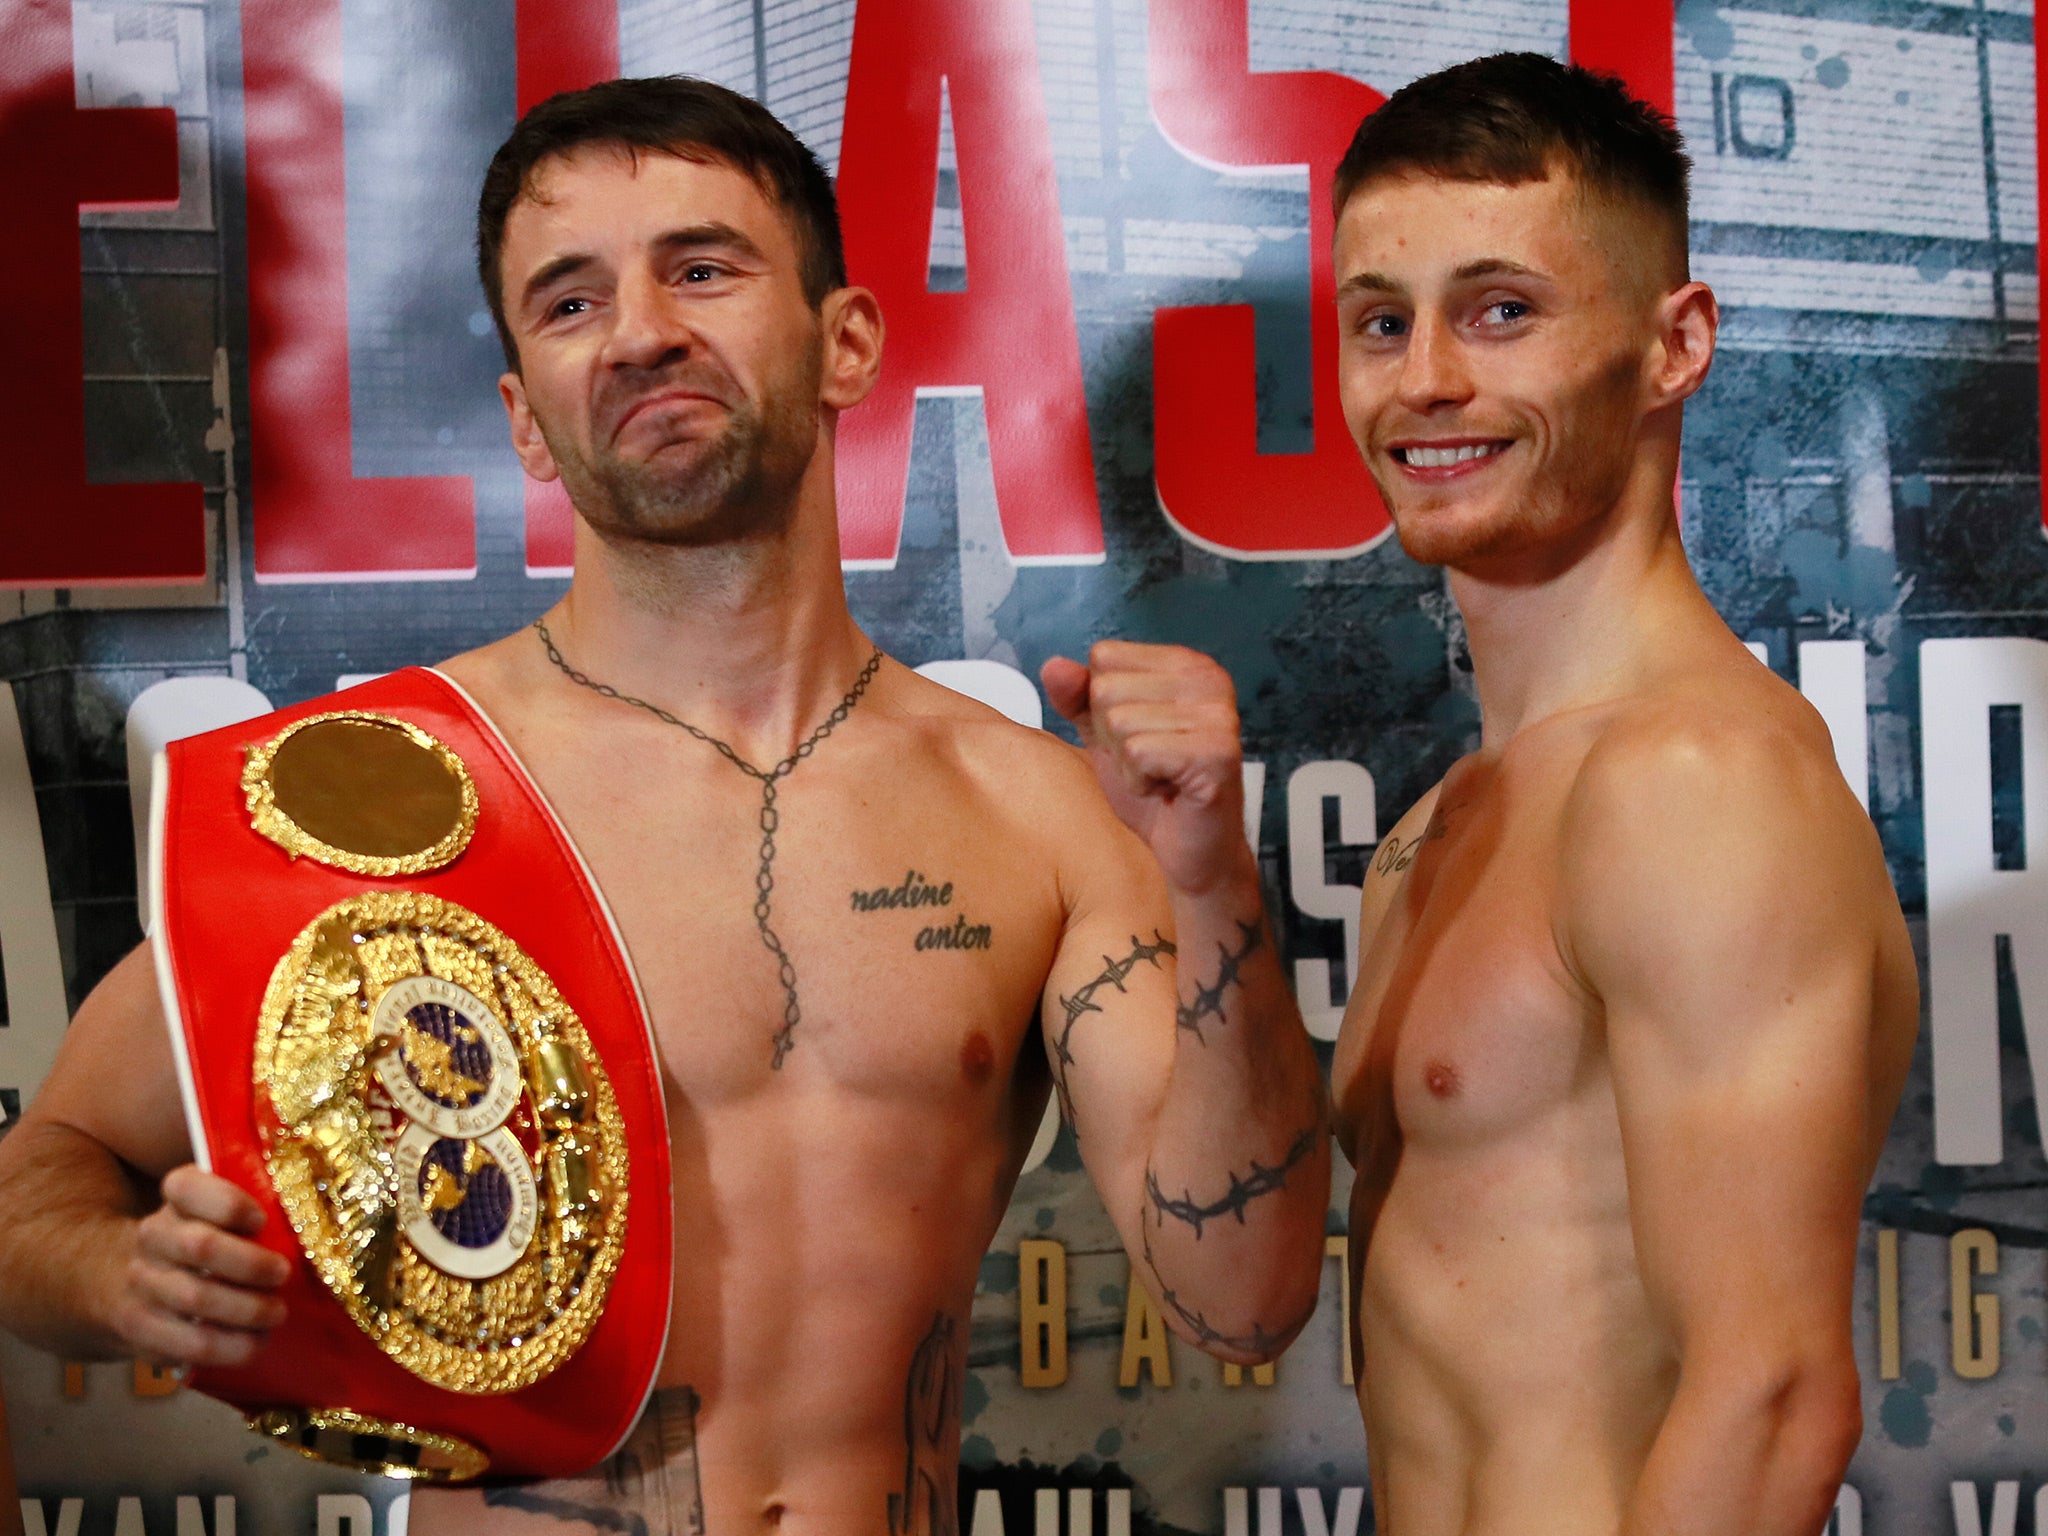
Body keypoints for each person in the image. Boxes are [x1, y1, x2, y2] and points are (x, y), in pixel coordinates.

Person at [0, 76, 1330, 1534]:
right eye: (570, 303)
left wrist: (1211, 881)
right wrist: (118, 1279)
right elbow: (41, 1181)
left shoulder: (1028, 815)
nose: (640, 331)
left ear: (847, 341)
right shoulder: (392, 791)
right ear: (522, 415)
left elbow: (1244, 1301)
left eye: (702, 267)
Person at [1325, 53, 1917, 1536]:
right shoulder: (1440, 827)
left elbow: (1774, 1394)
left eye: (1501, 310)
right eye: (1381, 323)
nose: (1426, 381)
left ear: (1675, 345)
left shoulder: (1695, 778)